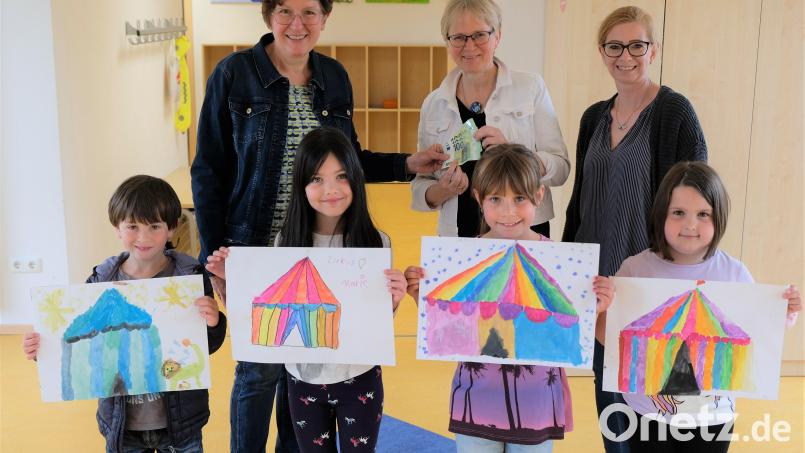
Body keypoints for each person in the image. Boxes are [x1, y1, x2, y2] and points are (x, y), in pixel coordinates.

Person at [190, 1, 445, 451]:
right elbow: (208, 170)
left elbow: (348, 159)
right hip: (256, 248)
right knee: (258, 373)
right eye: (285, 11)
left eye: (309, 11)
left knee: (305, 370)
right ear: (268, 16)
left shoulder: (334, 77)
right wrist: (213, 258)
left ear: (325, 17)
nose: (297, 23)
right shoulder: (233, 74)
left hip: (321, 245)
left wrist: (407, 163)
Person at [560, 7, 707, 451]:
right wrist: (566, 265)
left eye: (636, 45)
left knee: (655, 402)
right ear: (602, 52)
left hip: (650, 285)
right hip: (599, 284)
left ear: (653, 50)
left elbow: (697, 200)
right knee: (610, 402)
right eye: (615, 46)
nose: (625, 56)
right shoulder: (593, 117)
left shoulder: (674, 112)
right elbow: (580, 199)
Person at [205, 127, 406, 452]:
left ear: (356, 178)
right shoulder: (286, 241)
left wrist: (394, 299)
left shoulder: (376, 242)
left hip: (360, 379)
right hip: (303, 383)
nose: (331, 190)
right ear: (301, 185)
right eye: (316, 179)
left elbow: (376, 320)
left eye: (341, 176)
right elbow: (262, 311)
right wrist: (230, 281)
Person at [405, 145, 614, 452]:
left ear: (539, 196)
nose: (508, 212)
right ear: (478, 198)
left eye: (519, 198)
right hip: (477, 399)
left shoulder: (559, 261)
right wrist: (420, 297)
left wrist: (596, 307)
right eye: (496, 199)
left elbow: (568, 330)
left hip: (535, 404)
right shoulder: (463, 259)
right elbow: (448, 329)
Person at [597, 161, 801, 451]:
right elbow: (609, 338)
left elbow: (760, 330)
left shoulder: (734, 273)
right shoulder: (635, 269)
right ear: (661, 214)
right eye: (678, 212)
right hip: (646, 414)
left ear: (719, 218)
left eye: (703, 214)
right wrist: (602, 309)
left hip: (713, 418)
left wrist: (785, 312)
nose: (690, 224)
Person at [22, 175, 226, 453]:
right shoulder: (101, 282)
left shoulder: (190, 278)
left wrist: (214, 322)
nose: (143, 237)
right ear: (117, 228)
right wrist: (42, 349)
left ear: (171, 228)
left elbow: (207, 346)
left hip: (181, 422)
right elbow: (77, 340)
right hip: (122, 425)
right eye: (132, 226)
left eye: (154, 226)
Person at [411, 0, 569, 239]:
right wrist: (443, 190)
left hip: (524, 230)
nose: (469, 46)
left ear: (498, 36)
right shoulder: (434, 104)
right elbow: (420, 187)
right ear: (448, 41)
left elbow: (561, 169)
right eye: (459, 37)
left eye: (480, 35)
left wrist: (516, 155)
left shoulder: (530, 88)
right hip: (459, 236)